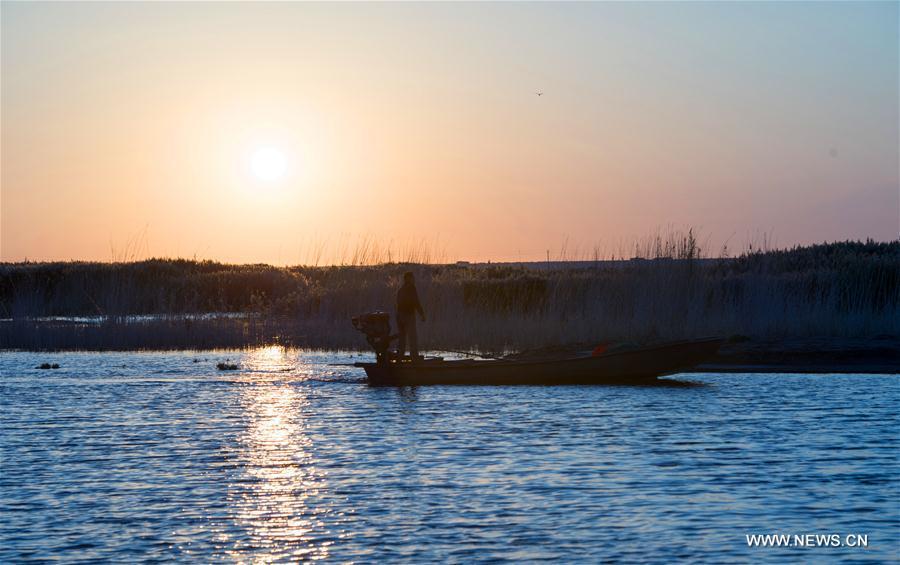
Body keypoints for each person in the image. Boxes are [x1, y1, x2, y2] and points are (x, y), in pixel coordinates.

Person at [396, 271, 425, 359]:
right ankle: (414, 357)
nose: (414, 279)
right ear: (408, 278)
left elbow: (397, 303)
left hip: (399, 316)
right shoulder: (411, 288)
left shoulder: (401, 289)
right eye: (412, 278)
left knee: (402, 338)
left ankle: (400, 356)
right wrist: (422, 314)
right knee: (412, 337)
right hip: (408, 315)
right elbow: (416, 301)